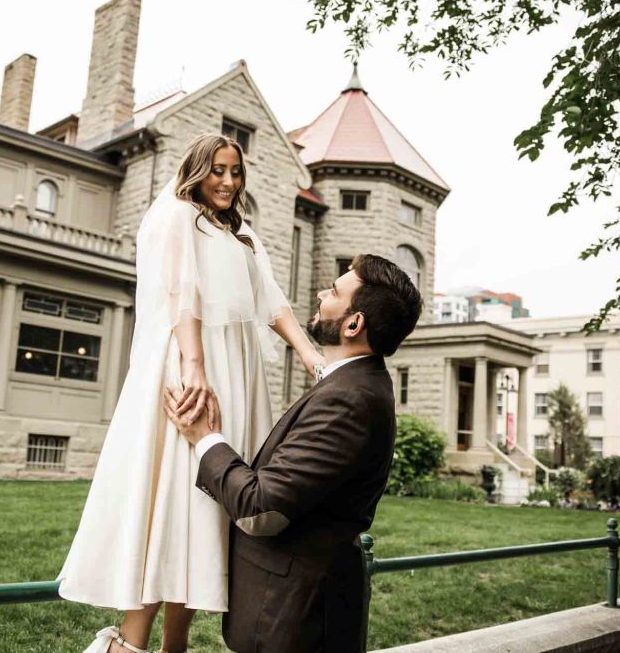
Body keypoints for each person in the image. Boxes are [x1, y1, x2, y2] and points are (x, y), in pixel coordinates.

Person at [56, 133, 324, 653]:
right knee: (175, 499)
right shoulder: (178, 214)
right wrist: (195, 367)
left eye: (235, 172)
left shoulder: (243, 233)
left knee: (208, 512)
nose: (227, 181)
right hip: (189, 359)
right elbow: (182, 291)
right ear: (197, 170)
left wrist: (312, 356)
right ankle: (128, 644)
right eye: (218, 170)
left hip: (236, 370)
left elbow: (273, 304)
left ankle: (173, 646)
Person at [164, 253, 421, 652]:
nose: (321, 294)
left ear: (354, 324)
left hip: (295, 622)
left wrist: (204, 438)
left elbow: (260, 508)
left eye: (334, 291)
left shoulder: (350, 401)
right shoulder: (354, 385)